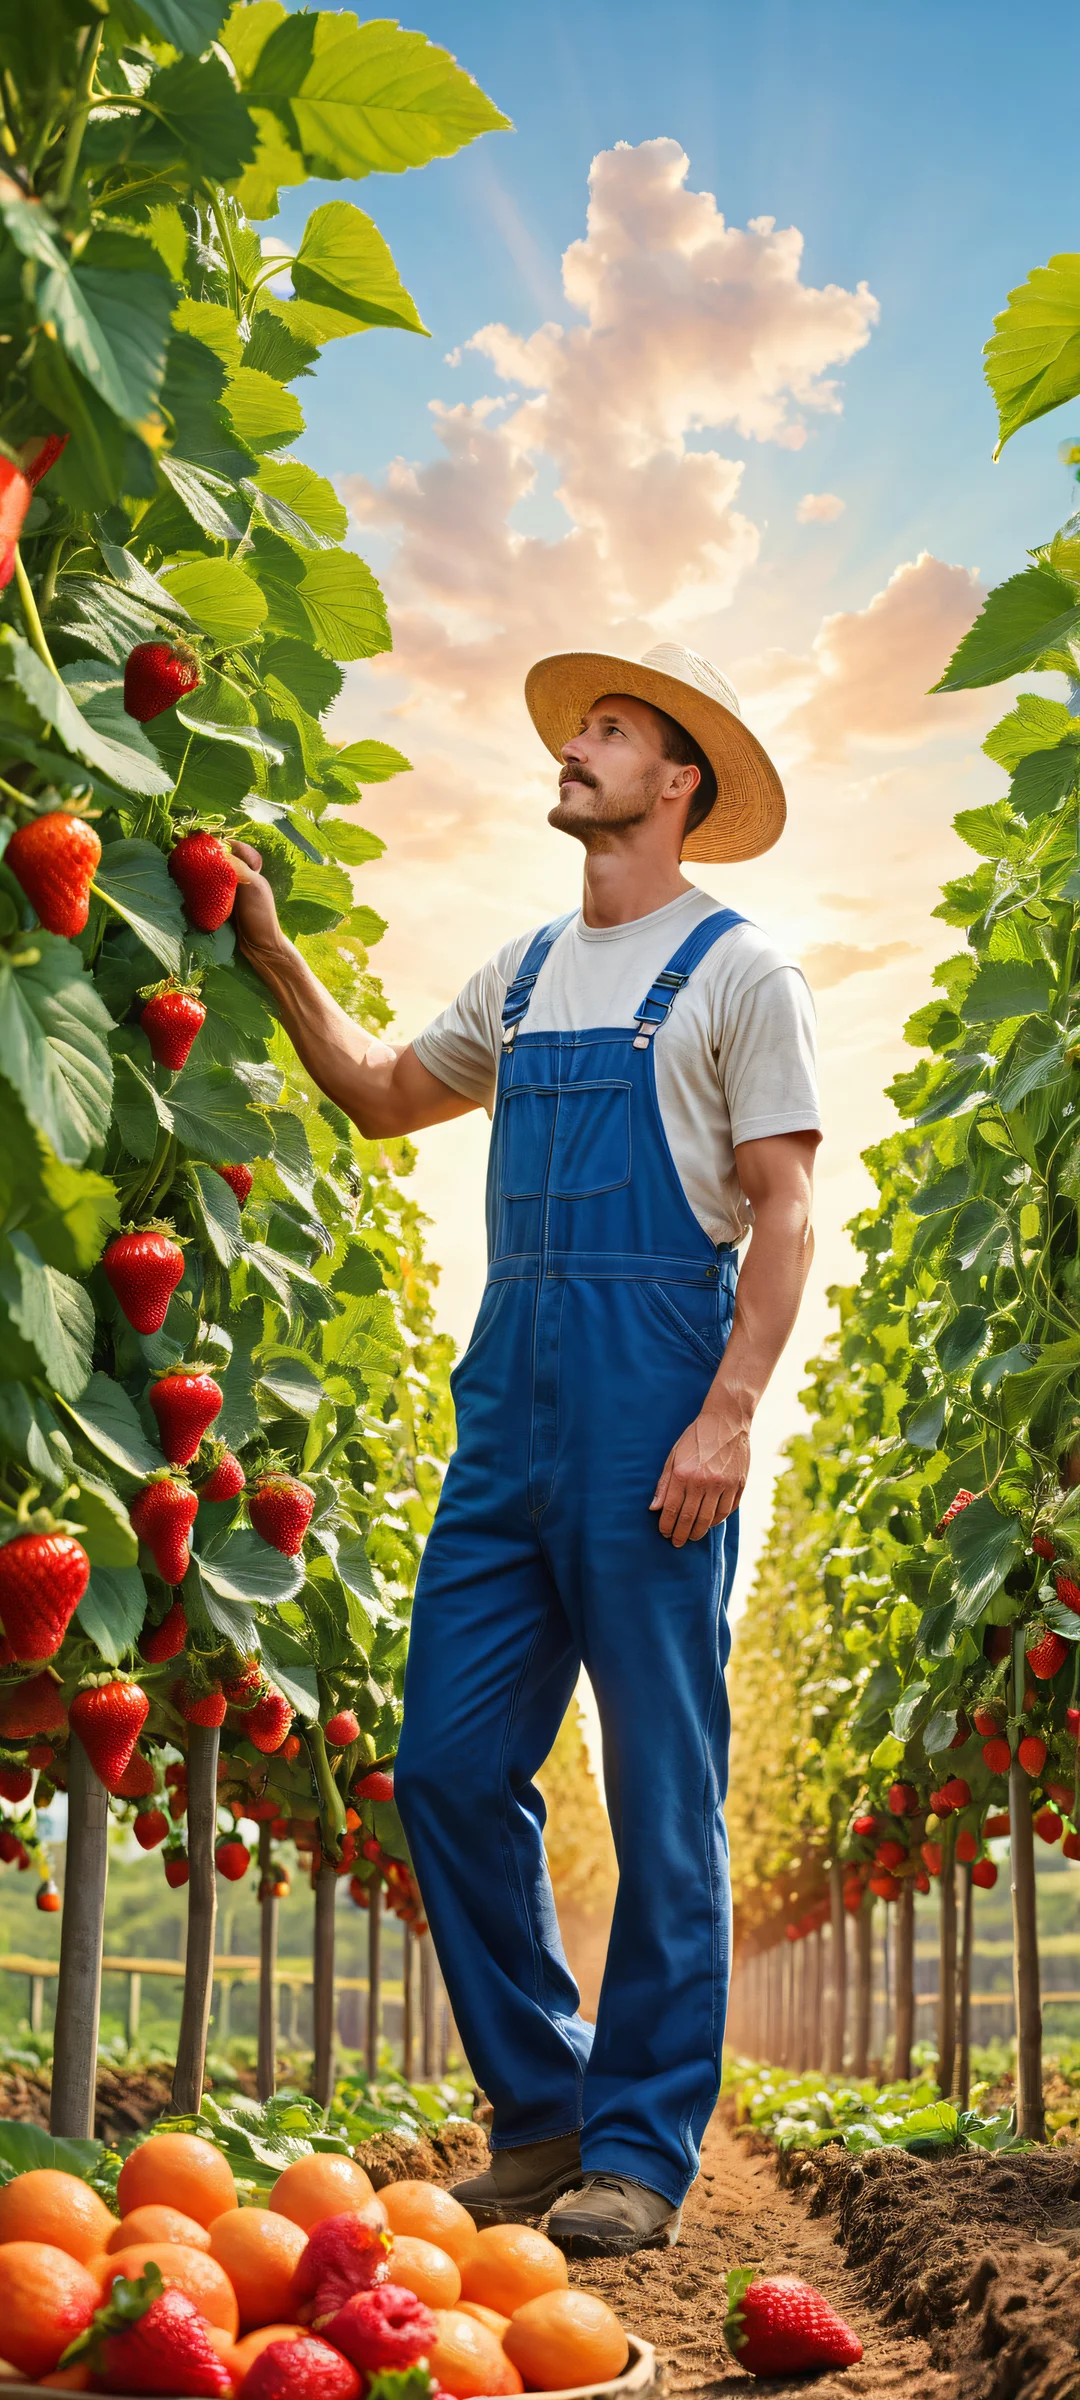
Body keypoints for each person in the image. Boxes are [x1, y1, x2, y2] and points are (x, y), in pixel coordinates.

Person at [231, 641, 821, 2258]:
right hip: (511, 1407)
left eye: (611, 731)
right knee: (446, 1764)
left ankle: (639, 2146)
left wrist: (726, 1412)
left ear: (677, 782)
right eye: (582, 725)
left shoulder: (737, 974)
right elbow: (375, 1096)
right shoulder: (520, 970)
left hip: (656, 1408)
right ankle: (546, 2104)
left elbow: (782, 1209)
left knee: (662, 1791)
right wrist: (271, 952)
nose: (577, 743)